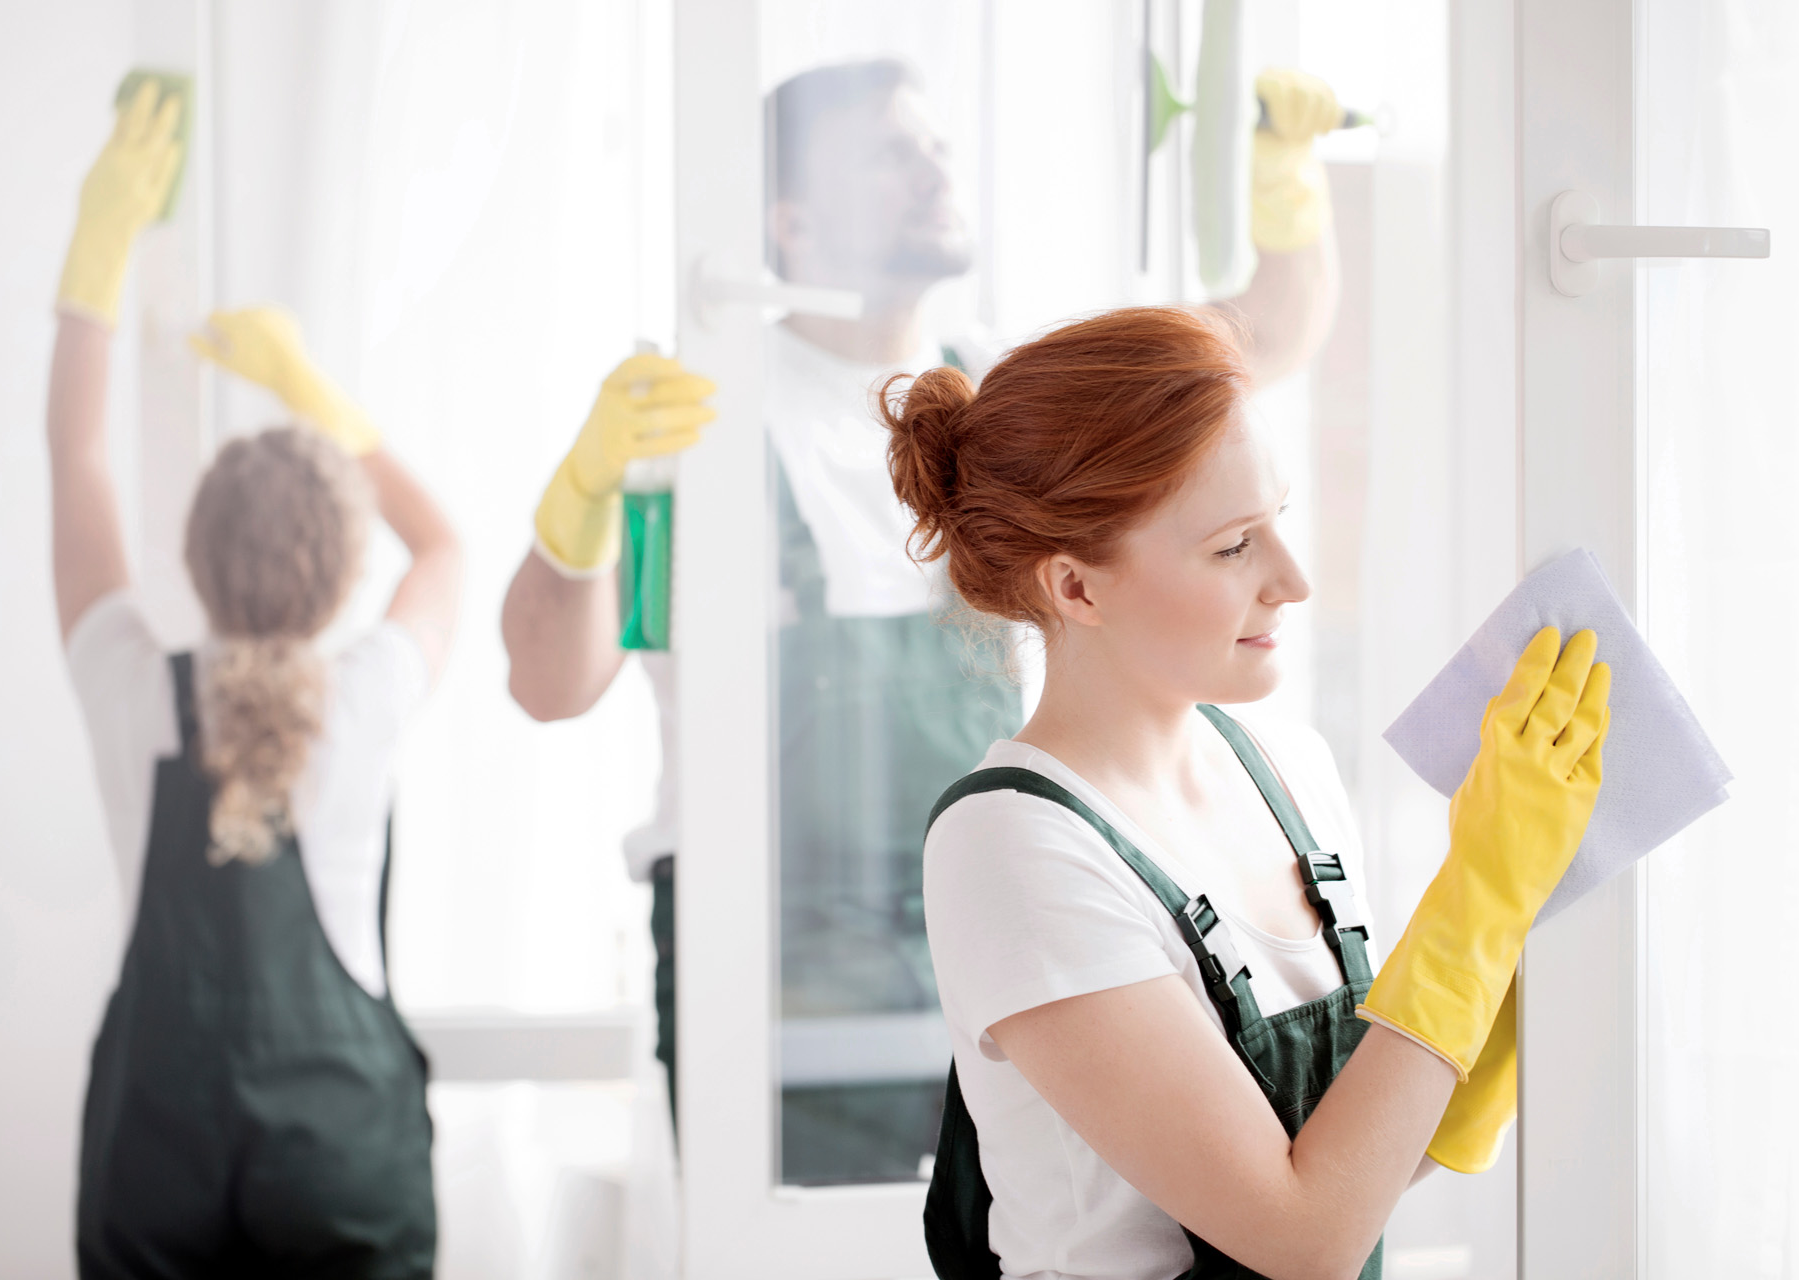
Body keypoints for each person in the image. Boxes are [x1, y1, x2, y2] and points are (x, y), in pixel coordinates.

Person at [501, 60, 1350, 1182]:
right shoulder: (698, 417)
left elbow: (1252, 346)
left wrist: (1289, 192)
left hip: (1014, 895)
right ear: (788, 218)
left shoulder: (998, 393)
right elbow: (549, 685)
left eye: (935, 145)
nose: (932, 166)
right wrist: (583, 503)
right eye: (888, 153)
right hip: (772, 950)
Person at [883, 305, 1609, 1279]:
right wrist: (1480, 890)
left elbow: (1354, 1170)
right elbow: (1300, 1235)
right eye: (1233, 546)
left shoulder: (1290, 771)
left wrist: (1511, 975)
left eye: (1280, 522)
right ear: (1076, 588)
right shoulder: (1011, 846)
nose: (1294, 579)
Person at [50, 80, 462, 1278]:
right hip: (342, 1141)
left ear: (190, 555)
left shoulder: (128, 687)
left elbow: (72, 456)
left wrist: (97, 263)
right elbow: (444, 546)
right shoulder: (368, 692)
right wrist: (317, 396)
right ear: (341, 579)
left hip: (154, 1139)